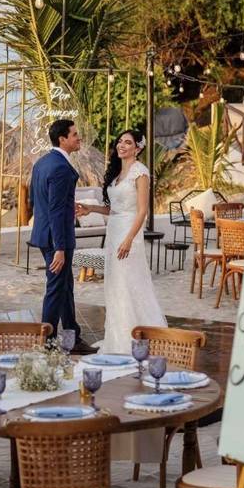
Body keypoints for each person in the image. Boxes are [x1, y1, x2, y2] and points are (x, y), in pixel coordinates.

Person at [76, 129, 166, 354]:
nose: (122, 145)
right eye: (120, 141)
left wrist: (128, 240)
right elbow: (112, 209)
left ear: (138, 148)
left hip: (129, 234)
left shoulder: (140, 173)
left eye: (128, 142)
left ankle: (139, 338)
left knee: (131, 284)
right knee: (115, 286)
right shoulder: (116, 174)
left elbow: (142, 211)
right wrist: (90, 209)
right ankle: (118, 338)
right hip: (114, 230)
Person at [28, 119, 90, 350]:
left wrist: (67, 205)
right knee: (56, 288)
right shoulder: (61, 168)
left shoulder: (42, 163)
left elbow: (35, 201)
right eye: (75, 135)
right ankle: (47, 341)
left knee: (64, 286)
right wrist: (60, 249)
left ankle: (72, 337)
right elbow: (54, 210)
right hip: (57, 240)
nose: (78, 138)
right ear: (63, 139)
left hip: (45, 234)